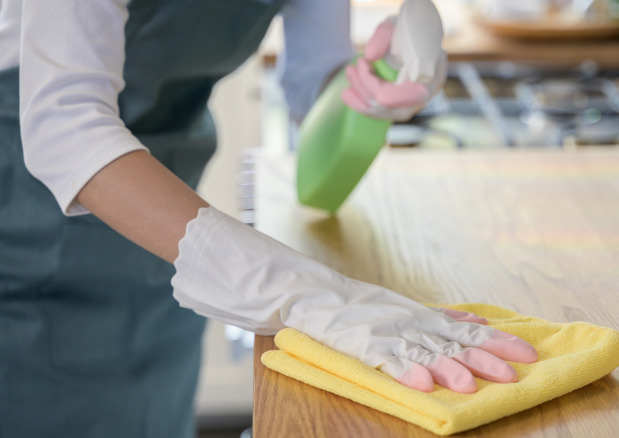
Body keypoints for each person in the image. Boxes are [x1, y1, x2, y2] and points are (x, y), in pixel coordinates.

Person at [0, 0, 537, 436]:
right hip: (27, 223)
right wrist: (303, 290)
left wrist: (372, 89)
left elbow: (313, 92)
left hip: (166, 232)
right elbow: (63, 128)